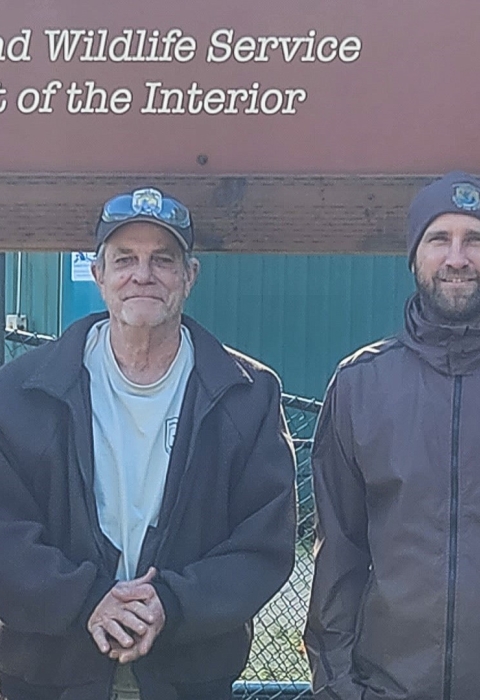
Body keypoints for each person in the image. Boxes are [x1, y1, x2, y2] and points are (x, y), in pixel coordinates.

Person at [0, 187, 296, 700]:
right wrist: (87, 599)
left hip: (188, 677)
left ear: (190, 276)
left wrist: (171, 603)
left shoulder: (247, 395)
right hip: (46, 674)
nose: (143, 274)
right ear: (99, 274)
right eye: (125, 259)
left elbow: (263, 543)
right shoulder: (21, 391)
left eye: (162, 259)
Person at [304, 170, 480, 700]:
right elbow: (338, 555)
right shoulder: (363, 385)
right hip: (389, 688)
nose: (457, 257)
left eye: (474, 239)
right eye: (438, 239)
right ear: (413, 256)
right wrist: (338, 687)